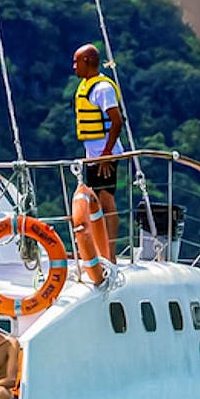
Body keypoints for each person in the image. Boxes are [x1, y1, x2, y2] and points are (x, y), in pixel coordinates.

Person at [72, 43, 124, 258]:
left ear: (87, 61)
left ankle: (109, 254)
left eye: (76, 62)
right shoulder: (87, 86)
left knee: (105, 201)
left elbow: (116, 121)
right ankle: (96, 251)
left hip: (105, 155)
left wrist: (106, 154)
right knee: (94, 202)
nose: (74, 67)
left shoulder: (102, 89)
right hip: (92, 155)